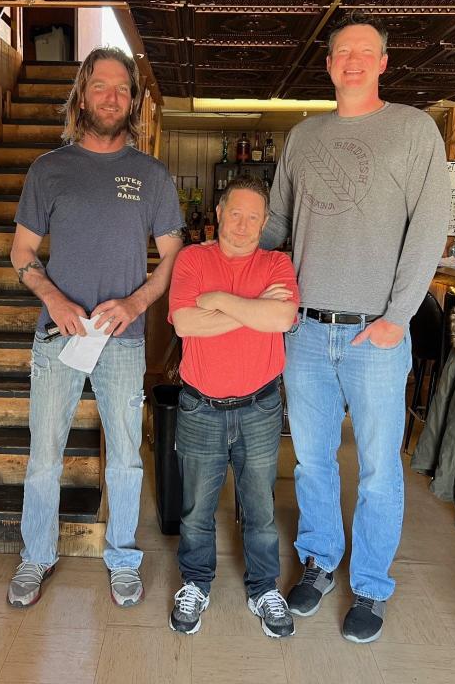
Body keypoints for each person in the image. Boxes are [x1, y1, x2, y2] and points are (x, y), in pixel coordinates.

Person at [260, 11, 451, 644]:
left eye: (366, 52)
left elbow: (428, 230)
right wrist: (235, 268)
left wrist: (398, 319)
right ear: (329, 62)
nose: (354, 61)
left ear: (383, 63)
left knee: (377, 469)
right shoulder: (303, 136)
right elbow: (277, 231)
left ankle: (369, 585)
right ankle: (319, 561)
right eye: (344, 51)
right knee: (312, 462)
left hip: (377, 335)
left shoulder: (414, 130)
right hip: (307, 333)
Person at [7, 47, 183, 608]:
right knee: (44, 457)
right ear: (82, 94)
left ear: (132, 100)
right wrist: (54, 297)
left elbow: (173, 260)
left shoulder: (151, 174)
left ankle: (124, 558)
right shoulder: (49, 169)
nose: (112, 98)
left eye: (122, 89)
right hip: (60, 337)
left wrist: (135, 303)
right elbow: (21, 252)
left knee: (128, 458)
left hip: (123, 342)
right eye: (101, 86)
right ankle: (36, 555)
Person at [167, 177, 299, 637]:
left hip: (260, 407)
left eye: (254, 217)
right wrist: (252, 308)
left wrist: (220, 301)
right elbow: (185, 324)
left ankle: (264, 589)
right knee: (196, 509)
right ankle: (196, 584)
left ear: (265, 223)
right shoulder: (192, 258)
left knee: (261, 507)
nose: (243, 225)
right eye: (235, 214)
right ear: (219, 213)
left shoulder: (277, 262)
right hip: (200, 406)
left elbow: (281, 318)